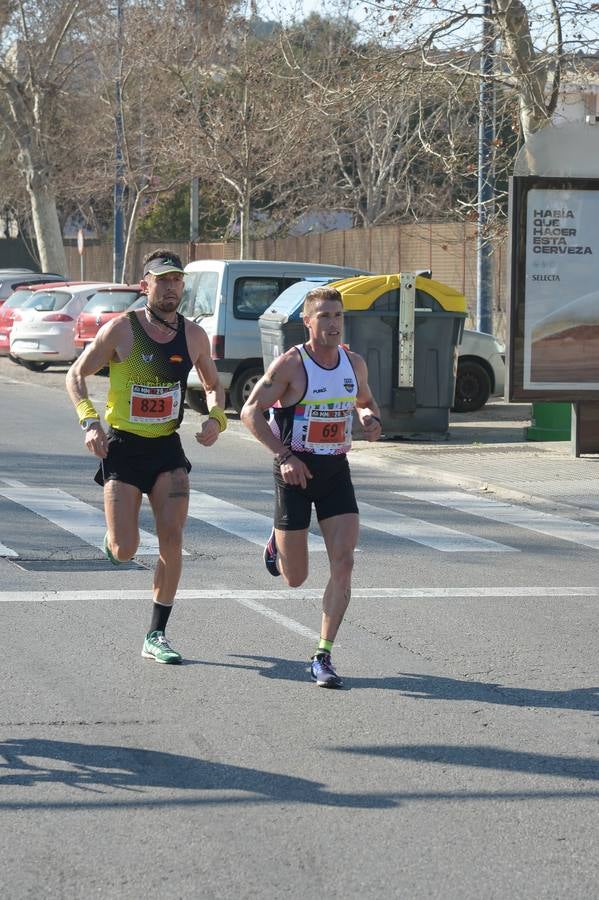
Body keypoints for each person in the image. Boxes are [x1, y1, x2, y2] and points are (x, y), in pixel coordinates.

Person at [66, 249, 226, 665]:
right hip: (123, 447)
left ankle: (156, 633)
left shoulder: (193, 336)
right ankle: (114, 542)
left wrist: (215, 417)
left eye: (176, 281)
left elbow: (212, 384)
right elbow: (75, 375)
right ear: (146, 285)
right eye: (163, 280)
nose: (171, 288)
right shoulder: (122, 330)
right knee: (124, 549)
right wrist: (89, 421)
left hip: (166, 449)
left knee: (172, 541)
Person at [240, 286, 382, 688]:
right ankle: (276, 543)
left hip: (336, 471)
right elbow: (251, 412)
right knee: (295, 578)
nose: (333, 323)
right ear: (307, 322)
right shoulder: (291, 365)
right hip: (296, 474)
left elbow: (367, 402)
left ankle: (323, 655)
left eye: (338, 316)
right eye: (324, 316)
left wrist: (371, 420)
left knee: (345, 562)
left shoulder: (353, 363)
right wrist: (285, 457)